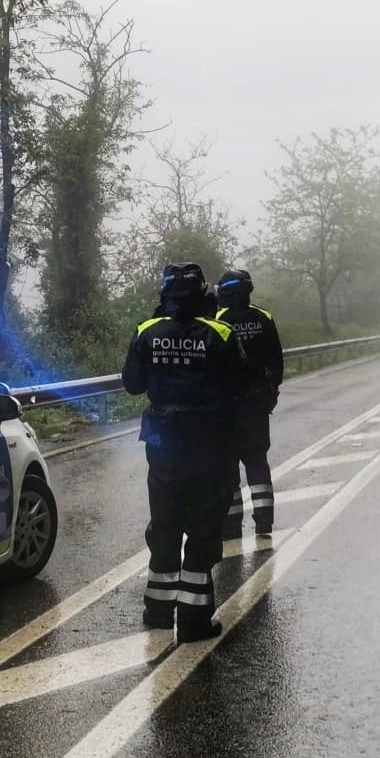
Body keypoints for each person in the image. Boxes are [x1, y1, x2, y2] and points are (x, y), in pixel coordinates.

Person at [122, 264, 248, 642]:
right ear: (203, 295)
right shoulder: (221, 333)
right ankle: (194, 623)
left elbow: (132, 385)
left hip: (162, 446)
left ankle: (158, 613)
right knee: (203, 528)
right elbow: (241, 385)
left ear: (165, 295)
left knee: (164, 523)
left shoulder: (147, 332)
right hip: (209, 447)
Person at [216, 269, 284, 538]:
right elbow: (276, 363)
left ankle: (232, 527)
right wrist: (270, 393)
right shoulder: (263, 317)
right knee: (258, 464)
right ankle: (264, 522)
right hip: (256, 407)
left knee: (229, 468)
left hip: (227, 410)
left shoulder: (217, 320)